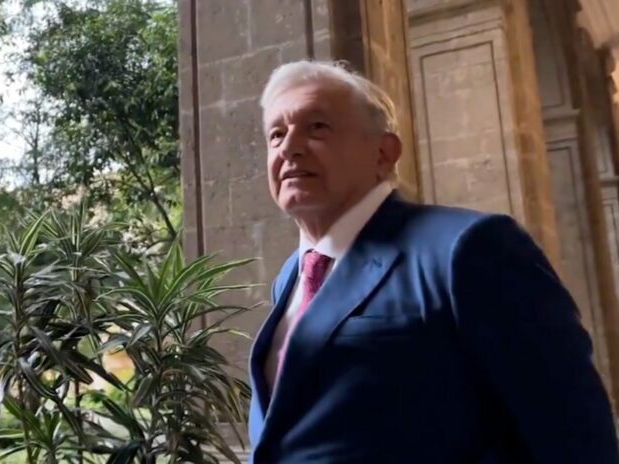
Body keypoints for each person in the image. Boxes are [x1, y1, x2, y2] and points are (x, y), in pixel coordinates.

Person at [246, 60, 619, 463]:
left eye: (317, 127)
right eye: (276, 134)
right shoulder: (292, 275)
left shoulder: (470, 248)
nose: (289, 147)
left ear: (384, 152)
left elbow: (574, 435)